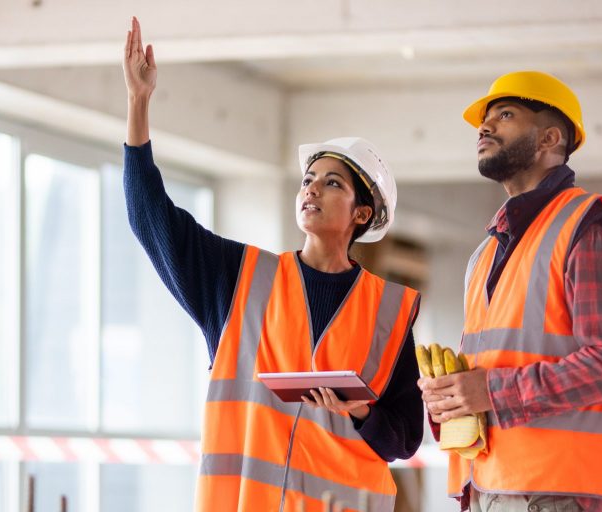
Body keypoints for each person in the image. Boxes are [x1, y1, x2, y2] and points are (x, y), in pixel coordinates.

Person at [122, 17, 423, 512]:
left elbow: (404, 438)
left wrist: (362, 412)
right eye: (308, 179)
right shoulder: (237, 279)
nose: (311, 189)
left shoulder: (388, 310)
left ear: (361, 214)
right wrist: (138, 103)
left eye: (332, 183)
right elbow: (149, 216)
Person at [417, 71, 602, 511]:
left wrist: (491, 392)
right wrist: (450, 397)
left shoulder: (586, 227)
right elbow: (495, 367)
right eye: (484, 121)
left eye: (505, 115)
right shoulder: (485, 252)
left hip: (559, 492)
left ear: (549, 138)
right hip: (489, 487)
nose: (484, 128)